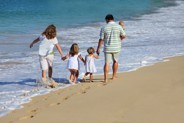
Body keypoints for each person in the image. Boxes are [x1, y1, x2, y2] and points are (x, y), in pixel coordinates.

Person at [96, 14, 126, 83]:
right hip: (116, 47)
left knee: (107, 63)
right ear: (113, 19)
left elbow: (101, 39)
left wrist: (98, 48)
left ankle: (105, 78)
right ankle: (114, 76)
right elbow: (124, 35)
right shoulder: (118, 26)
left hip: (107, 48)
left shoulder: (104, 27)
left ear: (107, 20)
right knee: (115, 61)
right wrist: (120, 39)